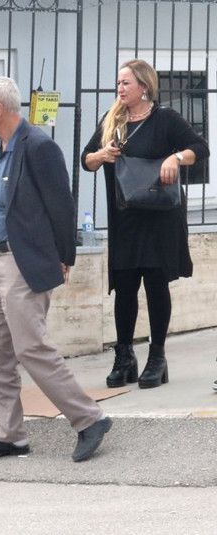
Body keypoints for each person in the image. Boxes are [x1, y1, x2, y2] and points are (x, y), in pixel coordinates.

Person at [0, 77, 111, 462]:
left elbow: (61, 205)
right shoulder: (0, 148)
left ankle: (89, 418)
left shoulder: (39, 147)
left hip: (26, 263)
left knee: (30, 347)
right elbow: (1, 204)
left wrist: (64, 258)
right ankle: (9, 436)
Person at [81, 59, 209, 390]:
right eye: (118, 83)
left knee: (154, 284)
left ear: (144, 87)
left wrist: (175, 157)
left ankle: (157, 357)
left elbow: (200, 148)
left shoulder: (165, 119)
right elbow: (86, 160)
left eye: (125, 83)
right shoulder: (113, 121)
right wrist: (102, 155)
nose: (119, 89)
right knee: (124, 286)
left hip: (159, 218)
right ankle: (124, 356)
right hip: (124, 218)